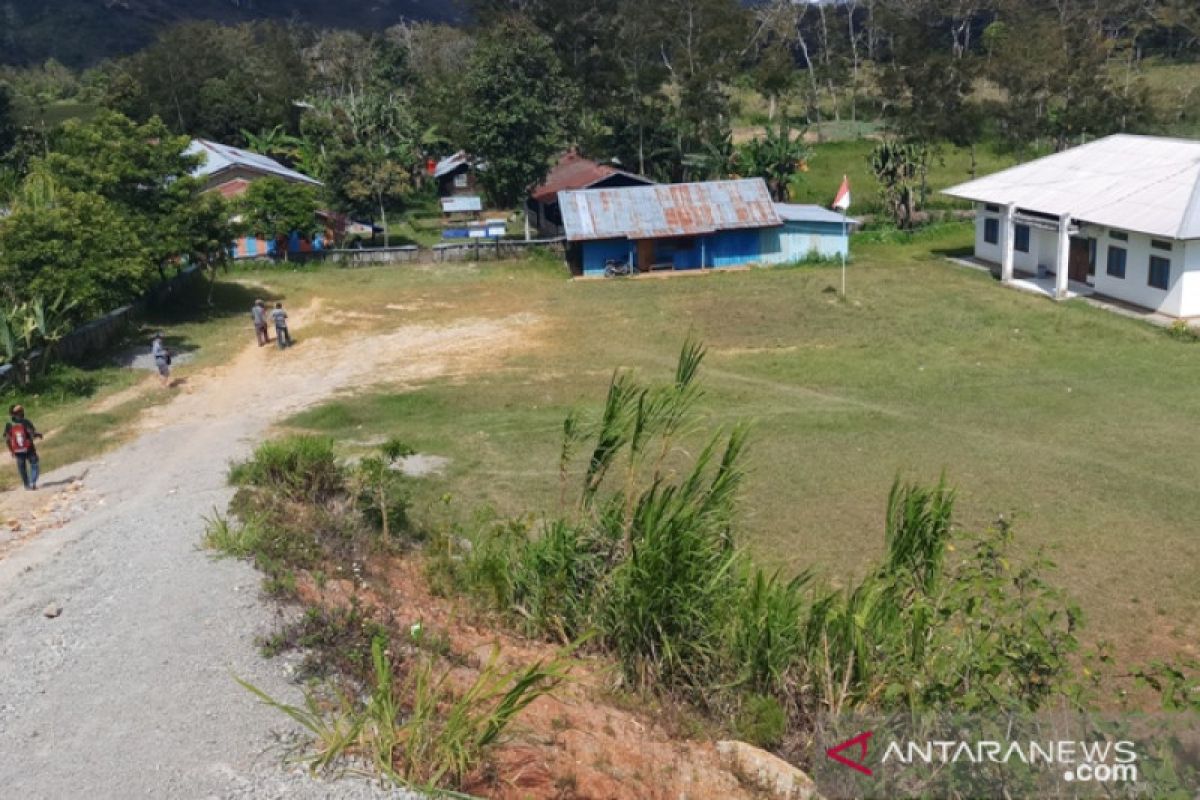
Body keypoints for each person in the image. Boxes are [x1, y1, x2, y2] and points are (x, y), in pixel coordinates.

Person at [5, 404, 43, 491]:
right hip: (29, 448)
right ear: (20, 412)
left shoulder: (9, 424)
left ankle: (26, 485)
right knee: (34, 463)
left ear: (11, 414)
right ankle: (33, 482)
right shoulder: (26, 422)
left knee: (22, 468)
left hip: (17, 450)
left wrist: (11, 451)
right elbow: (32, 434)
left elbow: (7, 439)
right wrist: (38, 435)